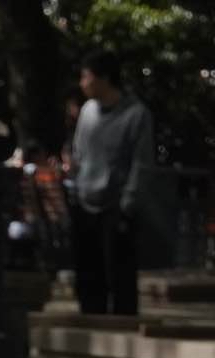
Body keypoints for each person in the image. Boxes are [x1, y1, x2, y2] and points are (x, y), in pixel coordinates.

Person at [68, 49, 156, 317]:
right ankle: (90, 318)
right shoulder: (87, 111)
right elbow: (79, 152)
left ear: (104, 78)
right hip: (85, 199)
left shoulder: (136, 114)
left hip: (117, 203)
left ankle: (123, 321)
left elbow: (141, 163)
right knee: (88, 271)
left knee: (120, 271)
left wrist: (129, 202)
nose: (82, 83)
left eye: (86, 77)